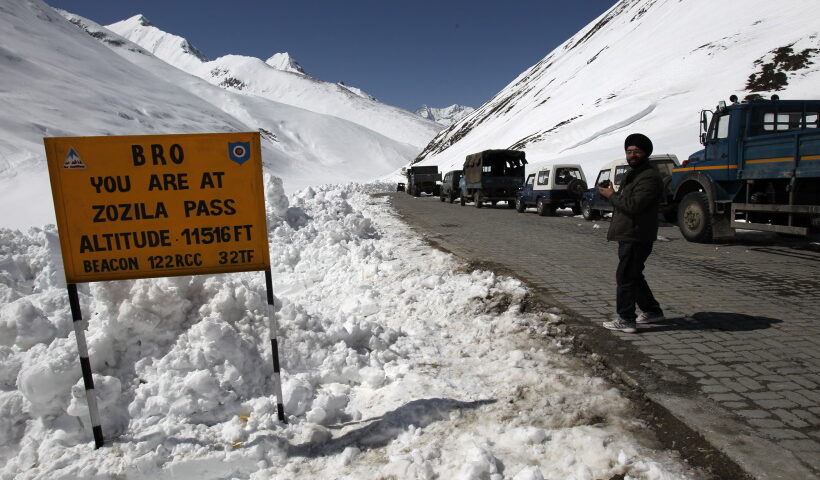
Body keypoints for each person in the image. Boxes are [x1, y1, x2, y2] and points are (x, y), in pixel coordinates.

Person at [597, 133, 665, 333]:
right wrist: (611, 193)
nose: (632, 155)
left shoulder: (649, 177)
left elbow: (634, 205)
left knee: (625, 276)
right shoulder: (634, 174)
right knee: (634, 275)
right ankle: (652, 311)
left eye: (637, 151)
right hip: (629, 232)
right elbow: (625, 201)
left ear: (646, 153)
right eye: (629, 151)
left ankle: (626, 319)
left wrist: (612, 195)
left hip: (637, 234)